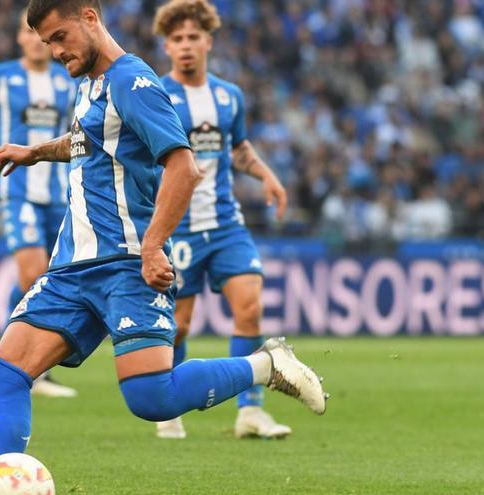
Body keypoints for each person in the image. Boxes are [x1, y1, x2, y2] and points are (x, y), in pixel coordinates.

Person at [0, 0, 328, 474]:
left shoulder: (132, 81)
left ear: (90, 18)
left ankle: (265, 366)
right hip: (73, 267)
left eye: (60, 37)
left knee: (150, 396)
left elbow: (183, 166)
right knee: (5, 371)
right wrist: (36, 151)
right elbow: (87, 141)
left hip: (125, 264)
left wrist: (153, 245)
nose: (55, 51)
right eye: (46, 43)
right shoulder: (90, 84)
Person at [152, 0, 292, 440]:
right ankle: (168, 403)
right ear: (167, 47)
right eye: (177, 39)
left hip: (227, 223)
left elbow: (238, 148)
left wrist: (266, 174)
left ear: (208, 42)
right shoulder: (155, 94)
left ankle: (250, 411)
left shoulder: (230, 95)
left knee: (250, 306)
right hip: (181, 227)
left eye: (193, 37)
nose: (186, 46)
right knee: (181, 325)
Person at [0, 10, 78, 398]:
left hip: (60, 193)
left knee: (46, 278)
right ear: (19, 39)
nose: (34, 40)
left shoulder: (68, 80)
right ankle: (32, 369)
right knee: (34, 273)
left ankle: (13, 356)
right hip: (18, 189)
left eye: (38, 34)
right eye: (26, 32)